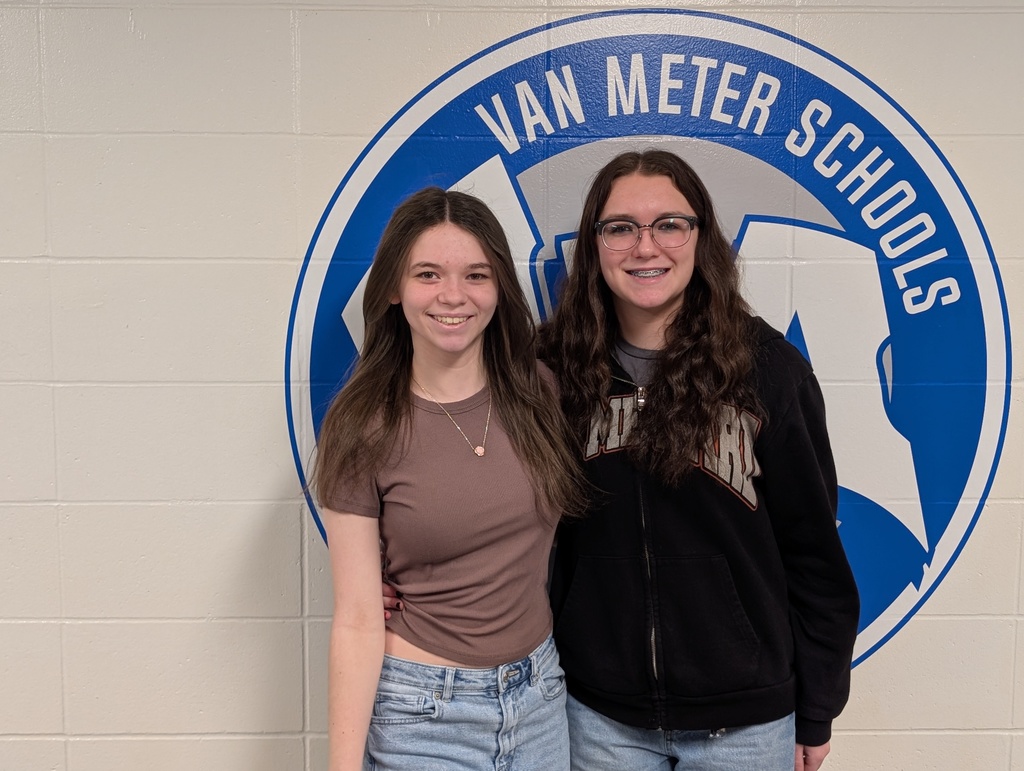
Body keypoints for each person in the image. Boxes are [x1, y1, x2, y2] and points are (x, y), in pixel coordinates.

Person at [537, 149, 860, 771]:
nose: (645, 246)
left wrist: (816, 707)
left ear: (701, 237)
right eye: (621, 227)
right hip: (597, 715)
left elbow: (814, 552)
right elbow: (488, 503)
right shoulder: (551, 373)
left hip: (747, 722)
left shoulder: (768, 371)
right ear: (595, 244)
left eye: (669, 224)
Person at [314, 186, 585, 771]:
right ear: (393, 288)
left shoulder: (540, 393)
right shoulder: (363, 424)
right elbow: (358, 617)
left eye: (476, 275)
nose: (453, 296)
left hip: (540, 698)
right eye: (429, 274)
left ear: (498, 288)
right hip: (424, 714)